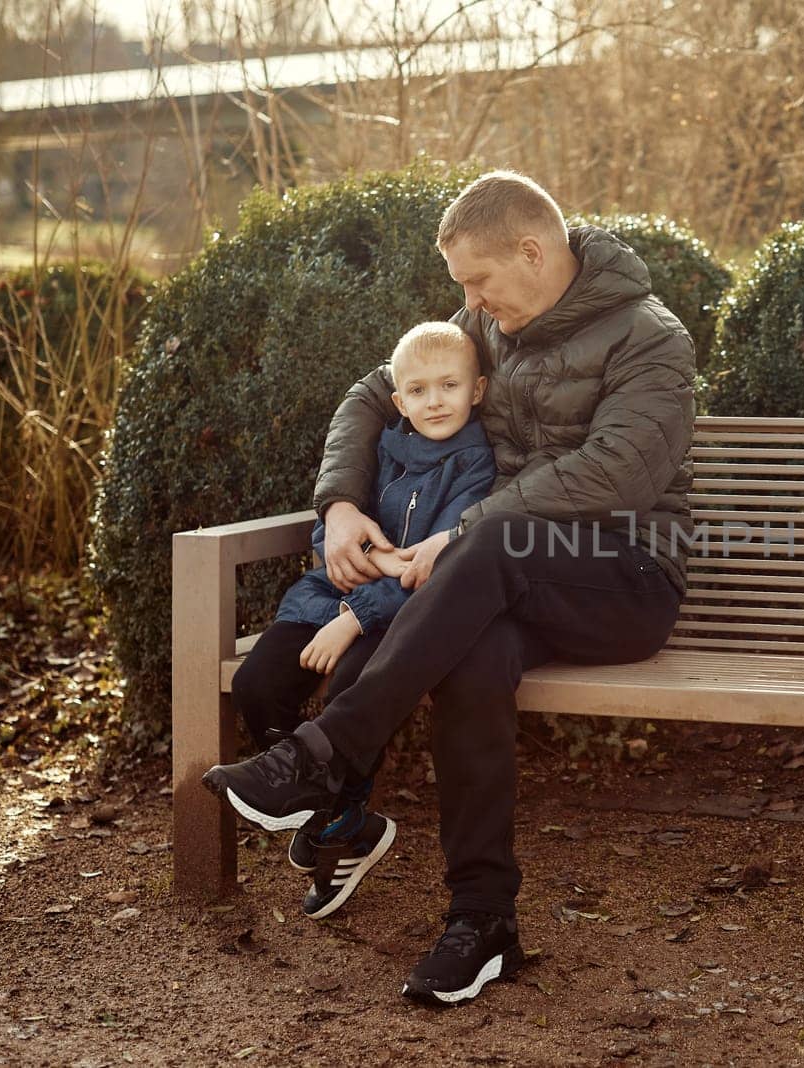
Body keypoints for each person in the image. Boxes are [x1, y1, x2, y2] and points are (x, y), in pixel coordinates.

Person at [204, 170, 695, 1006]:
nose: (468, 300)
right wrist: (344, 504)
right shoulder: (488, 327)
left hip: (622, 580)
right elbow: (372, 391)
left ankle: (324, 755)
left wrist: (469, 528)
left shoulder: (649, 336)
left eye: (478, 280)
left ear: (533, 251)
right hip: (501, 584)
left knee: (493, 534)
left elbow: (623, 470)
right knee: (474, 656)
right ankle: (483, 920)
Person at [222, 321, 495, 922]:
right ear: (398, 401)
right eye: (418, 391)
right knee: (257, 685)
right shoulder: (383, 447)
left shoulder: (477, 466)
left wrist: (354, 615)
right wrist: (351, 550)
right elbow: (337, 533)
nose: (435, 401)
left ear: (476, 390)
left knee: (350, 683)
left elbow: (435, 570)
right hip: (325, 595)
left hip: (395, 616)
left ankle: (342, 817)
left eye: (449, 385)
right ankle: (331, 813)